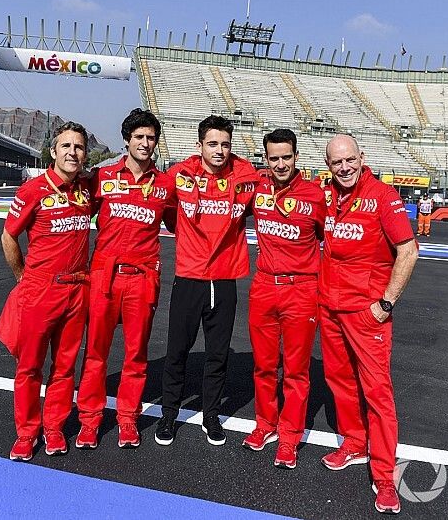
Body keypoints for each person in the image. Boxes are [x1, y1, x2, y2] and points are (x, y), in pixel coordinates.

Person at [319, 134, 418, 515]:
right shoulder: (326, 195)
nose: (344, 168)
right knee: (340, 382)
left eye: (349, 160)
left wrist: (386, 303)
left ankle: (384, 477)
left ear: (362, 157)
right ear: (328, 166)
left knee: (377, 393)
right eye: (336, 163)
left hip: (367, 312)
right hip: (329, 307)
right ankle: (354, 442)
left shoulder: (382, 195)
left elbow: (408, 251)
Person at [155, 115, 259, 446]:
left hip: (225, 279)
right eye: (212, 144)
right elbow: (167, 210)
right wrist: (186, 235)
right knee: (177, 352)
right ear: (199, 145)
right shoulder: (180, 174)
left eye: (225, 144)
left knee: (217, 355)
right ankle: (169, 414)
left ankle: (211, 415)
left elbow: (264, 198)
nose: (219, 150)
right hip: (189, 277)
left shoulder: (245, 175)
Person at [75, 109, 175, 450]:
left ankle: (128, 420)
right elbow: (75, 216)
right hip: (105, 274)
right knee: (96, 353)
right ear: (126, 141)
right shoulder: (101, 177)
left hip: (143, 277)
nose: (145, 144)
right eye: (139, 138)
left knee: (136, 355)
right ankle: (89, 421)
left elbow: (181, 224)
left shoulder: (165, 184)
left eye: (151, 139)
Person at [0, 121, 94, 462]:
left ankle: (53, 427)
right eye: (66, 146)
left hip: (77, 289)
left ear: (85, 154)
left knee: (65, 367)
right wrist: (22, 275)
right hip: (41, 290)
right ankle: (26, 433)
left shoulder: (87, 189)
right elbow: (8, 236)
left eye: (79, 147)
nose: (72, 152)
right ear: (53, 152)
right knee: (29, 367)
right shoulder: (32, 190)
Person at [242, 129, 326, 469]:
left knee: (296, 370)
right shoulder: (257, 189)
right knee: (263, 366)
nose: (280, 163)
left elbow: (329, 239)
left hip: (302, 290)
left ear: (296, 156)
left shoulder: (315, 196)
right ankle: (265, 424)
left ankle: (289, 437)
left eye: (286, 157)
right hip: (263, 285)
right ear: (265, 158)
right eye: (273, 157)